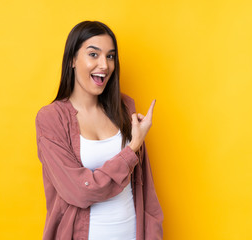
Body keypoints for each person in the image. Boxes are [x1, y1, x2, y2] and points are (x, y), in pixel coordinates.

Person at [35, 21, 163, 240]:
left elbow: (146, 192)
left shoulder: (125, 108)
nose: (104, 65)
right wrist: (131, 150)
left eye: (110, 56)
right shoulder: (50, 119)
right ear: (73, 60)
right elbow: (80, 190)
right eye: (93, 55)